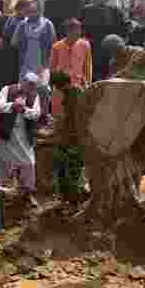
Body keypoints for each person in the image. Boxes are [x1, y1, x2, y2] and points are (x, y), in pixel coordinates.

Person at [0, 72, 41, 208]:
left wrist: (23, 109)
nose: (30, 88)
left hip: (23, 134)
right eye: (29, 84)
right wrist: (12, 105)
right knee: (4, 163)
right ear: (23, 81)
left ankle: (28, 193)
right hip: (6, 132)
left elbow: (36, 114)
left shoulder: (34, 96)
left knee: (29, 163)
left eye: (33, 86)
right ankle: (3, 193)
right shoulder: (7, 89)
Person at [11, 0, 56, 114]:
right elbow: (14, 43)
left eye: (34, 11)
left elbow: (53, 45)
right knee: (23, 89)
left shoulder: (47, 24)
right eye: (29, 11)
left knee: (43, 89)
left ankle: (43, 116)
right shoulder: (22, 25)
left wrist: (49, 64)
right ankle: (25, 116)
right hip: (25, 64)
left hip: (43, 64)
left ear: (40, 11)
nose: (31, 14)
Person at [50, 72, 86, 202]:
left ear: (58, 85)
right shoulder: (74, 91)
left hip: (74, 140)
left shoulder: (72, 94)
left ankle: (74, 200)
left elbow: (74, 120)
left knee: (72, 171)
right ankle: (69, 198)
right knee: (67, 168)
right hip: (74, 138)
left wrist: (61, 134)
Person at [49, 19, 92, 116]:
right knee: (59, 114)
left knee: (77, 114)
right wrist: (53, 85)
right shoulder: (57, 46)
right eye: (75, 32)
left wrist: (88, 84)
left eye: (79, 32)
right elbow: (52, 68)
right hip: (60, 87)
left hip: (78, 86)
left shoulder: (85, 45)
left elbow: (88, 66)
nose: (78, 34)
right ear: (67, 32)